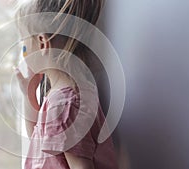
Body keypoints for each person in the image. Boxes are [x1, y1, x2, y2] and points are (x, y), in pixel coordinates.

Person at [14, 0, 118, 168]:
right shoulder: (68, 94)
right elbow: (37, 144)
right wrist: (29, 95)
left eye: (23, 44)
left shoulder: (63, 105)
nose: (23, 52)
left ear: (42, 43)